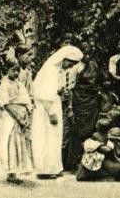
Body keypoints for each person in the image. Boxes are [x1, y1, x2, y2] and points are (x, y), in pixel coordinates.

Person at [30, 45, 83, 178]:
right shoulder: (50, 70)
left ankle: (54, 168)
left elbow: (57, 89)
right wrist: (51, 112)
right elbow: (44, 94)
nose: (71, 67)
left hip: (53, 104)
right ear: (63, 59)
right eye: (70, 63)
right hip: (46, 109)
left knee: (54, 137)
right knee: (46, 137)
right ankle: (45, 170)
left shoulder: (59, 71)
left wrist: (61, 92)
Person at [64, 41, 102, 172]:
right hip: (79, 102)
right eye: (84, 53)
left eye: (89, 53)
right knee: (77, 133)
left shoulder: (94, 65)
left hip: (91, 102)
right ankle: (73, 163)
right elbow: (71, 88)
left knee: (89, 132)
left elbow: (97, 83)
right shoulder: (76, 67)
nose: (87, 56)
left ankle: (87, 163)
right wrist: (70, 107)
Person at [0, 64, 34, 184]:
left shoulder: (19, 84)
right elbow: (6, 104)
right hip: (11, 116)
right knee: (11, 143)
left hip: (21, 116)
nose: (16, 73)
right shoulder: (5, 84)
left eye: (18, 70)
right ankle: (11, 173)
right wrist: (18, 117)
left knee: (19, 143)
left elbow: (26, 99)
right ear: (7, 69)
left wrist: (26, 113)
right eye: (13, 70)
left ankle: (16, 171)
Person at [76, 116, 120, 181]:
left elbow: (107, 150)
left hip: (119, 166)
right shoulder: (119, 132)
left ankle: (104, 177)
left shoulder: (111, 133)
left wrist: (95, 146)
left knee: (91, 159)